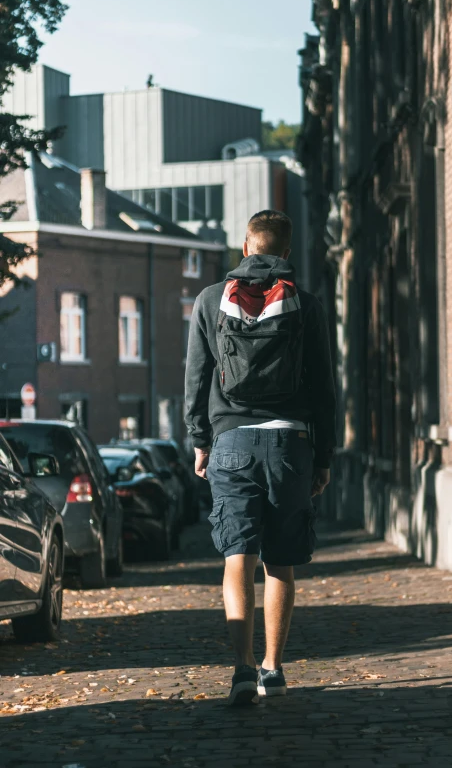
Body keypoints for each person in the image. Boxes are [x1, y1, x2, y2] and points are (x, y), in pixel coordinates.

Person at [184, 209, 336, 705]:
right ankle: (273, 666)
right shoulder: (306, 305)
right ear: (286, 253)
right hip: (291, 444)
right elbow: (323, 386)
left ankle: (242, 669)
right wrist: (324, 455)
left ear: (245, 248)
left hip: (230, 442)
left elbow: (197, 377)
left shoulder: (210, 300)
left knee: (237, 559)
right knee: (281, 562)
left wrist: (200, 440)